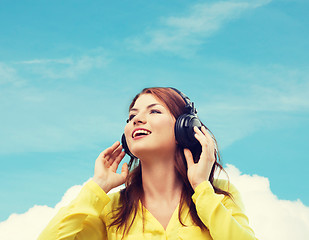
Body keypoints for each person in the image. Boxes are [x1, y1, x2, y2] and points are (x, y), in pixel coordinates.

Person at [38, 87, 257, 240]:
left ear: (185, 128)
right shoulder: (111, 208)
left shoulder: (219, 194)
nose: (137, 119)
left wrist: (201, 188)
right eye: (132, 115)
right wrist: (98, 187)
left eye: (154, 111)